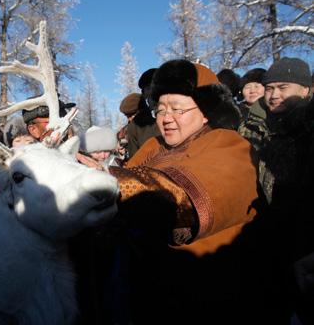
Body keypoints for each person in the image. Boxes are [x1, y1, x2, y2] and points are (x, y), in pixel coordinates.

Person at [86, 59, 285, 324]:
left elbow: (182, 202)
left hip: (207, 294)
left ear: (205, 111)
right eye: (161, 109)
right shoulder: (154, 146)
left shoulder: (229, 145)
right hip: (147, 291)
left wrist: (111, 181)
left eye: (177, 109)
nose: (166, 118)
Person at [243, 57, 313, 324]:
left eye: (283, 87)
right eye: (269, 88)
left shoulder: (308, 129)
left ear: (305, 89)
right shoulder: (264, 126)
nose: (274, 95)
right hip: (273, 237)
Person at [119, 68, 160, 159]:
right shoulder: (136, 126)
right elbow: (135, 158)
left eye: (157, 86)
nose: (154, 92)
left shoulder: (183, 112)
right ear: (144, 94)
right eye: (149, 88)